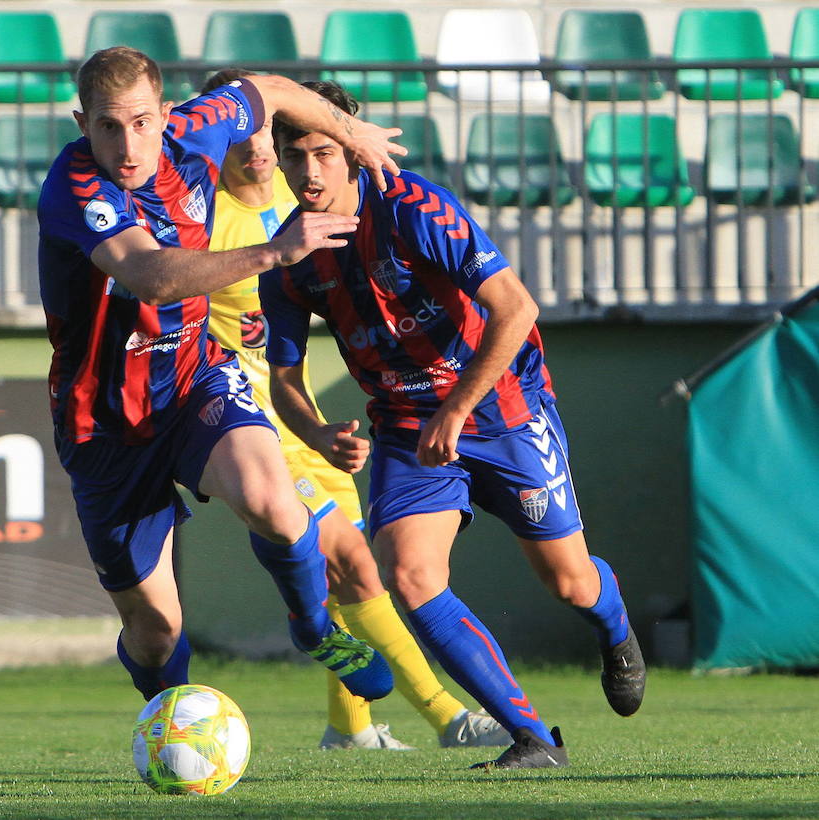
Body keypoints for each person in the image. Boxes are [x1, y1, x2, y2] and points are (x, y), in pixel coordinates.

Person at [262, 81, 646, 770]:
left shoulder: (413, 208)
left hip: (504, 409)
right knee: (409, 576)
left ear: (351, 148)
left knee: (569, 583)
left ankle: (613, 626)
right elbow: (284, 380)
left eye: (323, 151)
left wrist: (459, 407)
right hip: (408, 427)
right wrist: (317, 433)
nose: (310, 171)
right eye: (294, 156)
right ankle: (532, 738)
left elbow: (516, 308)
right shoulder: (288, 256)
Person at [38, 47, 406, 710]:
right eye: (108, 126)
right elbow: (149, 274)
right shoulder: (76, 188)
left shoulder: (201, 131)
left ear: (168, 116)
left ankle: (315, 626)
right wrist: (272, 252)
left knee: (273, 499)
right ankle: (168, 709)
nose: (128, 144)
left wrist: (351, 134)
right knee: (155, 632)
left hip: (192, 380)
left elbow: (267, 87)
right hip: (105, 425)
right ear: (80, 122)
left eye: (143, 123)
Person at [198, 70, 509, 751]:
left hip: (313, 428)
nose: (258, 147)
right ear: (217, 142)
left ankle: (349, 728)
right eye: (243, 134)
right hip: (256, 431)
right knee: (359, 567)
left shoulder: (307, 190)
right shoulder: (206, 223)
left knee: (347, 575)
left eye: (264, 132)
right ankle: (448, 716)